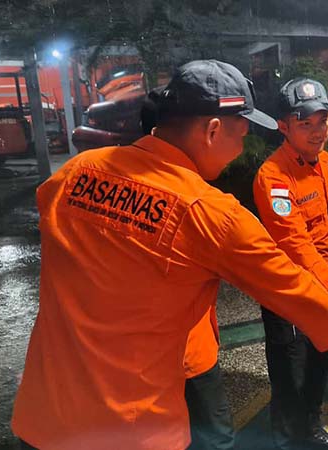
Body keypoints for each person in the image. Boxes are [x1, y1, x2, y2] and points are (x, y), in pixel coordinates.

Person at [11, 60, 328, 450]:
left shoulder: (74, 173)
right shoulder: (208, 212)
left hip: (43, 417)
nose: (240, 150)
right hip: (129, 428)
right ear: (213, 130)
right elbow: (283, 279)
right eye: (242, 135)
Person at [253, 78, 328, 450]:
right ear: (283, 125)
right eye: (305, 123)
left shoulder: (326, 163)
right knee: (289, 374)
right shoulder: (273, 176)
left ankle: (310, 429)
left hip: (323, 282)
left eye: (322, 121)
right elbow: (296, 246)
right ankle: (285, 441)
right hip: (289, 291)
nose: (317, 132)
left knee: (320, 360)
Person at [142, 91, 234, 450]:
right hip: (187, 354)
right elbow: (274, 275)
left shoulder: (91, 180)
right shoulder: (199, 203)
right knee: (215, 434)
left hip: (143, 361)